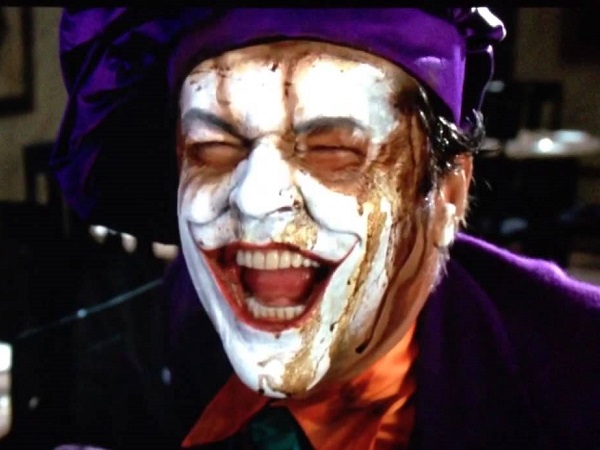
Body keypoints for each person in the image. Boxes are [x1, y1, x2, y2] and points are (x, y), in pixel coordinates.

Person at [50, 8, 600, 450]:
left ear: (447, 195)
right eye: (212, 149)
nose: (255, 199)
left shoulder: (577, 369)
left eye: (334, 150)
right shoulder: (167, 321)